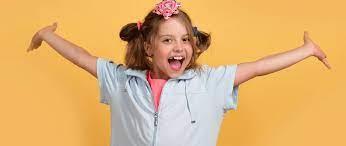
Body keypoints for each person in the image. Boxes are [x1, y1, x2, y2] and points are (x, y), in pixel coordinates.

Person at [26, 0, 331, 145]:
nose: (179, 47)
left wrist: (307, 50)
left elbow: (259, 67)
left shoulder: (209, 82)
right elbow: (81, 57)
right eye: (168, 40)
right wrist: (46, 35)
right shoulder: (122, 81)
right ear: (148, 47)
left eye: (185, 39)